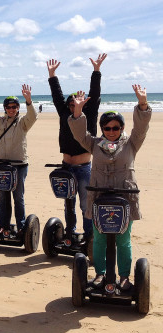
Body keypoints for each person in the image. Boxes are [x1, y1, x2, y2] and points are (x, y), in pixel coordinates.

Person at [68, 84, 151, 290]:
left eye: (116, 127)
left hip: (125, 200)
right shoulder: (94, 143)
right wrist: (78, 111)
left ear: (121, 128)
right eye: (107, 128)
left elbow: (140, 128)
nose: (111, 131)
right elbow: (79, 134)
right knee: (99, 239)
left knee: (123, 240)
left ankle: (124, 276)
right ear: (102, 129)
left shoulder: (131, 143)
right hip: (99, 200)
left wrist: (142, 104)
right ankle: (100, 274)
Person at [47, 53, 106, 241]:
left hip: (83, 169)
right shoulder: (64, 114)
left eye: (77, 104)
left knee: (85, 204)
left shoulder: (89, 115)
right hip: (66, 167)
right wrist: (52, 76)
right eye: (71, 104)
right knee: (69, 204)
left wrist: (96, 71)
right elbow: (57, 96)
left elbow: (95, 95)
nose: (74, 107)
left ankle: (89, 236)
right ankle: (70, 233)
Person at [0, 84, 37, 236]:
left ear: (18, 108)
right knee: (3, 197)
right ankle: (4, 226)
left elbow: (33, 117)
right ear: (5, 108)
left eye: (14, 107)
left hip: (19, 165)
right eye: (9, 107)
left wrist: (29, 101)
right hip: (2, 166)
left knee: (18, 197)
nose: (11, 109)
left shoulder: (23, 123)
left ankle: (22, 226)